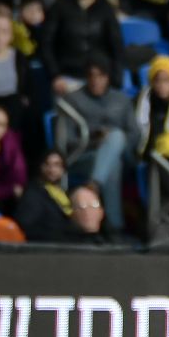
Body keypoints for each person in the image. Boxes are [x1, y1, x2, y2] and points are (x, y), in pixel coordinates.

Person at [59, 54, 139, 232]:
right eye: (91, 75)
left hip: (121, 154)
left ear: (108, 77)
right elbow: (66, 139)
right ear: (86, 77)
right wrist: (94, 139)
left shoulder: (122, 100)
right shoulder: (73, 100)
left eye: (100, 76)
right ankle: (115, 227)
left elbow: (134, 134)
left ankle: (95, 183)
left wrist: (113, 144)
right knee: (113, 164)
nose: (96, 80)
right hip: (83, 157)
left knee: (116, 136)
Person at [41, 0, 123, 94]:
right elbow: (46, 43)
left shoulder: (106, 9)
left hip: (99, 78)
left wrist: (115, 79)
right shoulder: (59, 7)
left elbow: (116, 46)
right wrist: (55, 75)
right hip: (68, 76)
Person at [14, 149, 76, 242]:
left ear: (63, 169)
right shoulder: (33, 194)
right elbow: (25, 225)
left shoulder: (66, 194)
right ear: (40, 167)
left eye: (57, 165)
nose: (51, 169)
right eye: (47, 164)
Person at [135, 55, 169, 157]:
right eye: (157, 80)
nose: (162, 85)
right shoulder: (141, 100)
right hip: (144, 151)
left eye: (167, 80)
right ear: (152, 82)